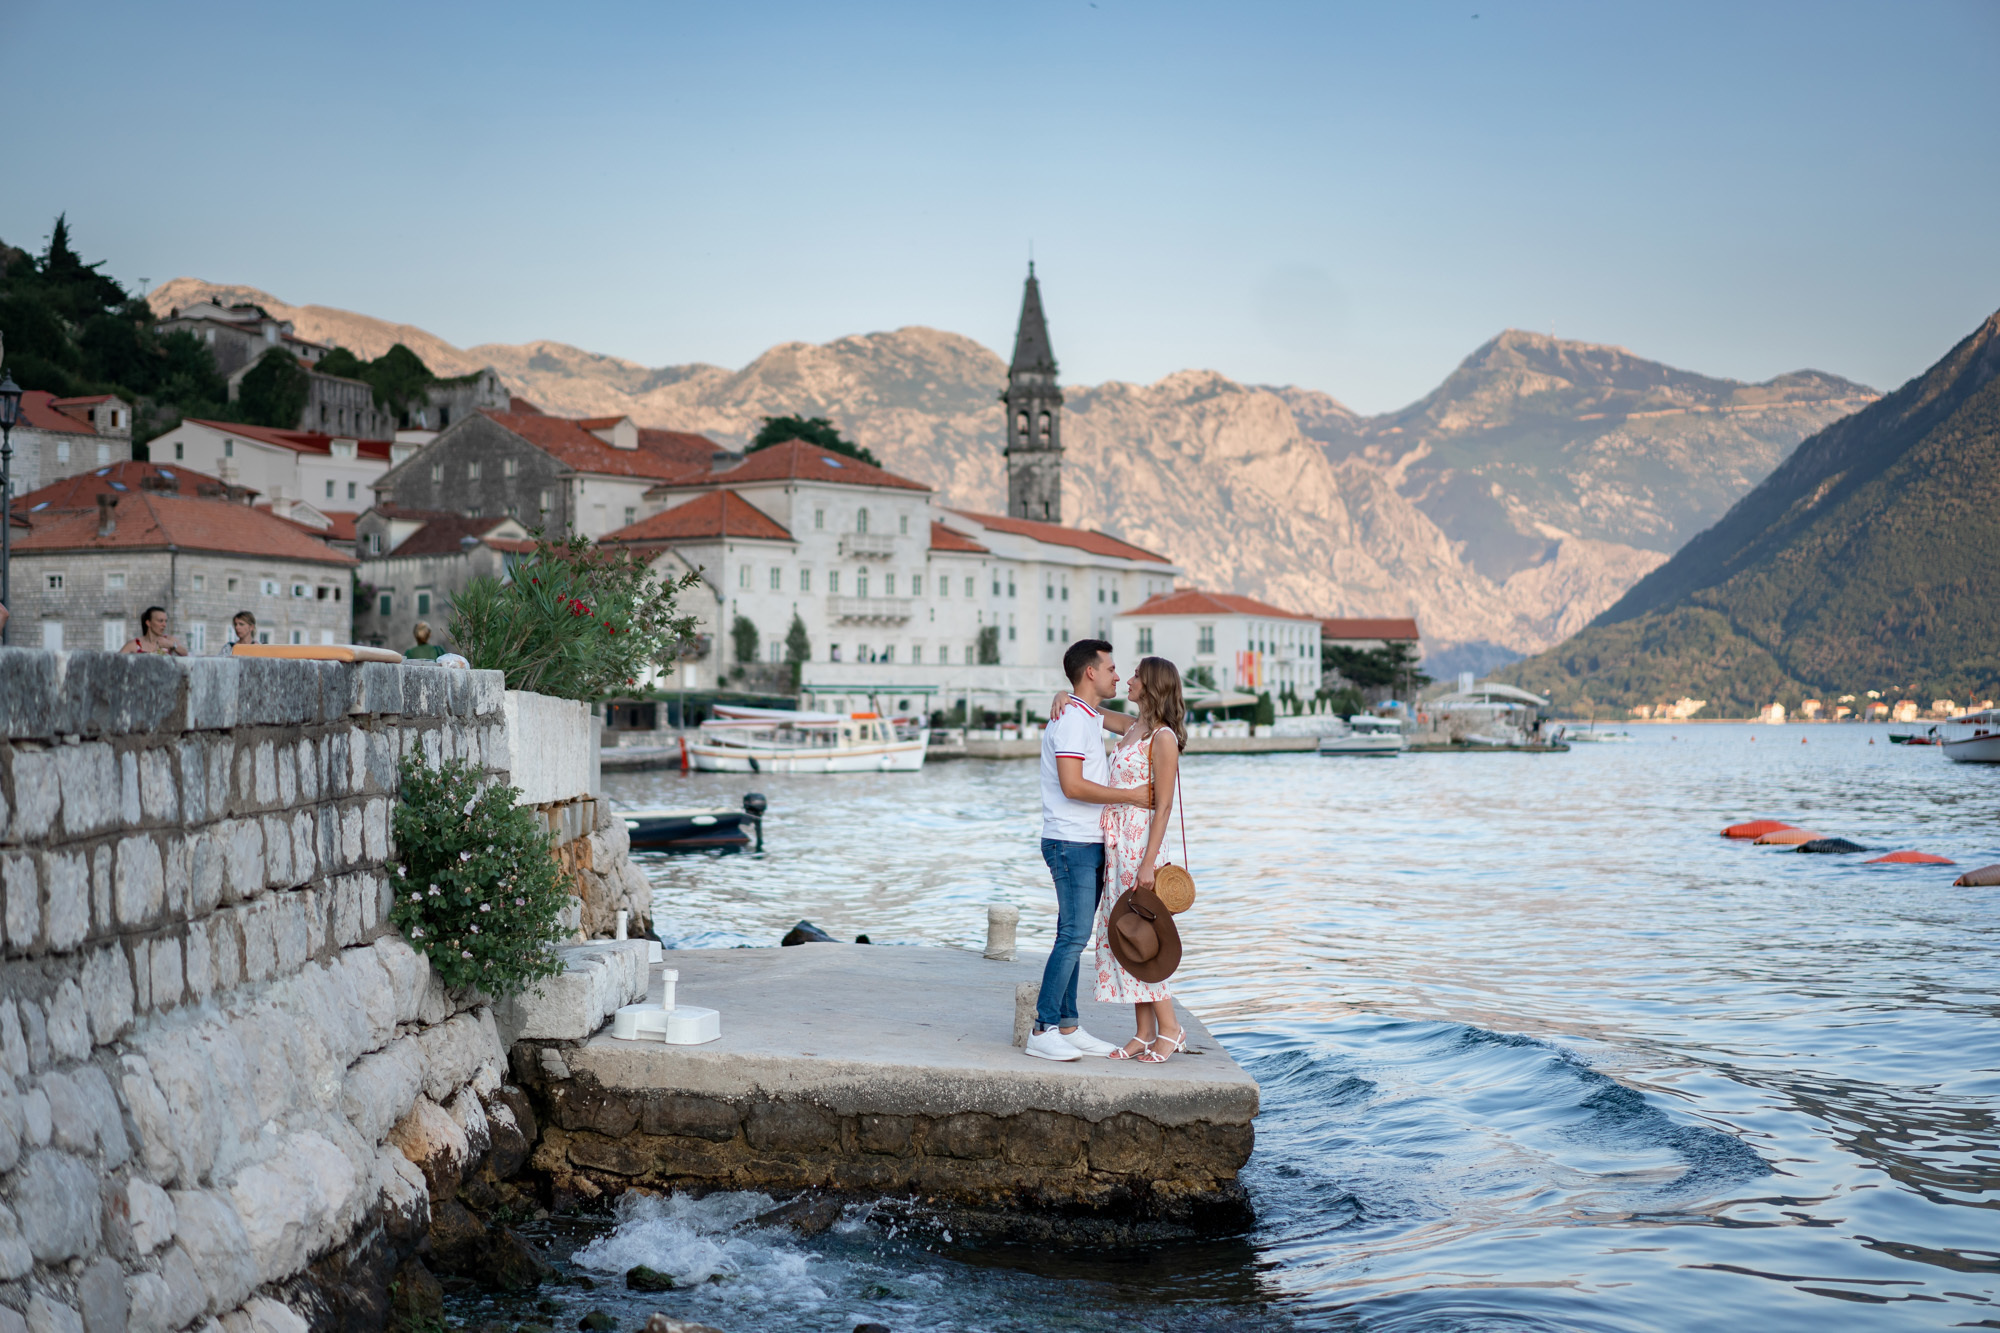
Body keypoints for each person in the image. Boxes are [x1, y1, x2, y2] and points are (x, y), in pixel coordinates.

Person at [1025, 639, 1154, 1063]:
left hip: (1085, 841)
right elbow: (1072, 785)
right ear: (1091, 672)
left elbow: (1129, 724)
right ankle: (1042, 1029)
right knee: (1073, 935)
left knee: (1074, 934)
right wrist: (1131, 797)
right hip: (1070, 842)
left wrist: (1066, 695)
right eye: (1112, 668)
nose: (1118, 675)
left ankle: (1068, 1025)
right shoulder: (1071, 722)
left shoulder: (1082, 714)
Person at [1093, 656, 1188, 1062]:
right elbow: (1091, 712)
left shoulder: (1163, 738)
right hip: (1117, 846)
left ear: (1150, 685)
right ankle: (1144, 1032)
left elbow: (1163, 806)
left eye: (1134, 676)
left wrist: (1149, 862)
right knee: (1125, 933)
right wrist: (1063, 696)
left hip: (1140, 847)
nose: (1127, 680)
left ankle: (1171, 1029)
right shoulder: (1132, 727)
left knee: (1143, 934)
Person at [120, 607, 187, 656]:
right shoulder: (135, 644)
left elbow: (185, 654)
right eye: (160, 621)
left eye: (165, 621)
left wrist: (171, 645)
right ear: (148, 623)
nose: (164, 624)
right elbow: (116, 662)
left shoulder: (169, 640)